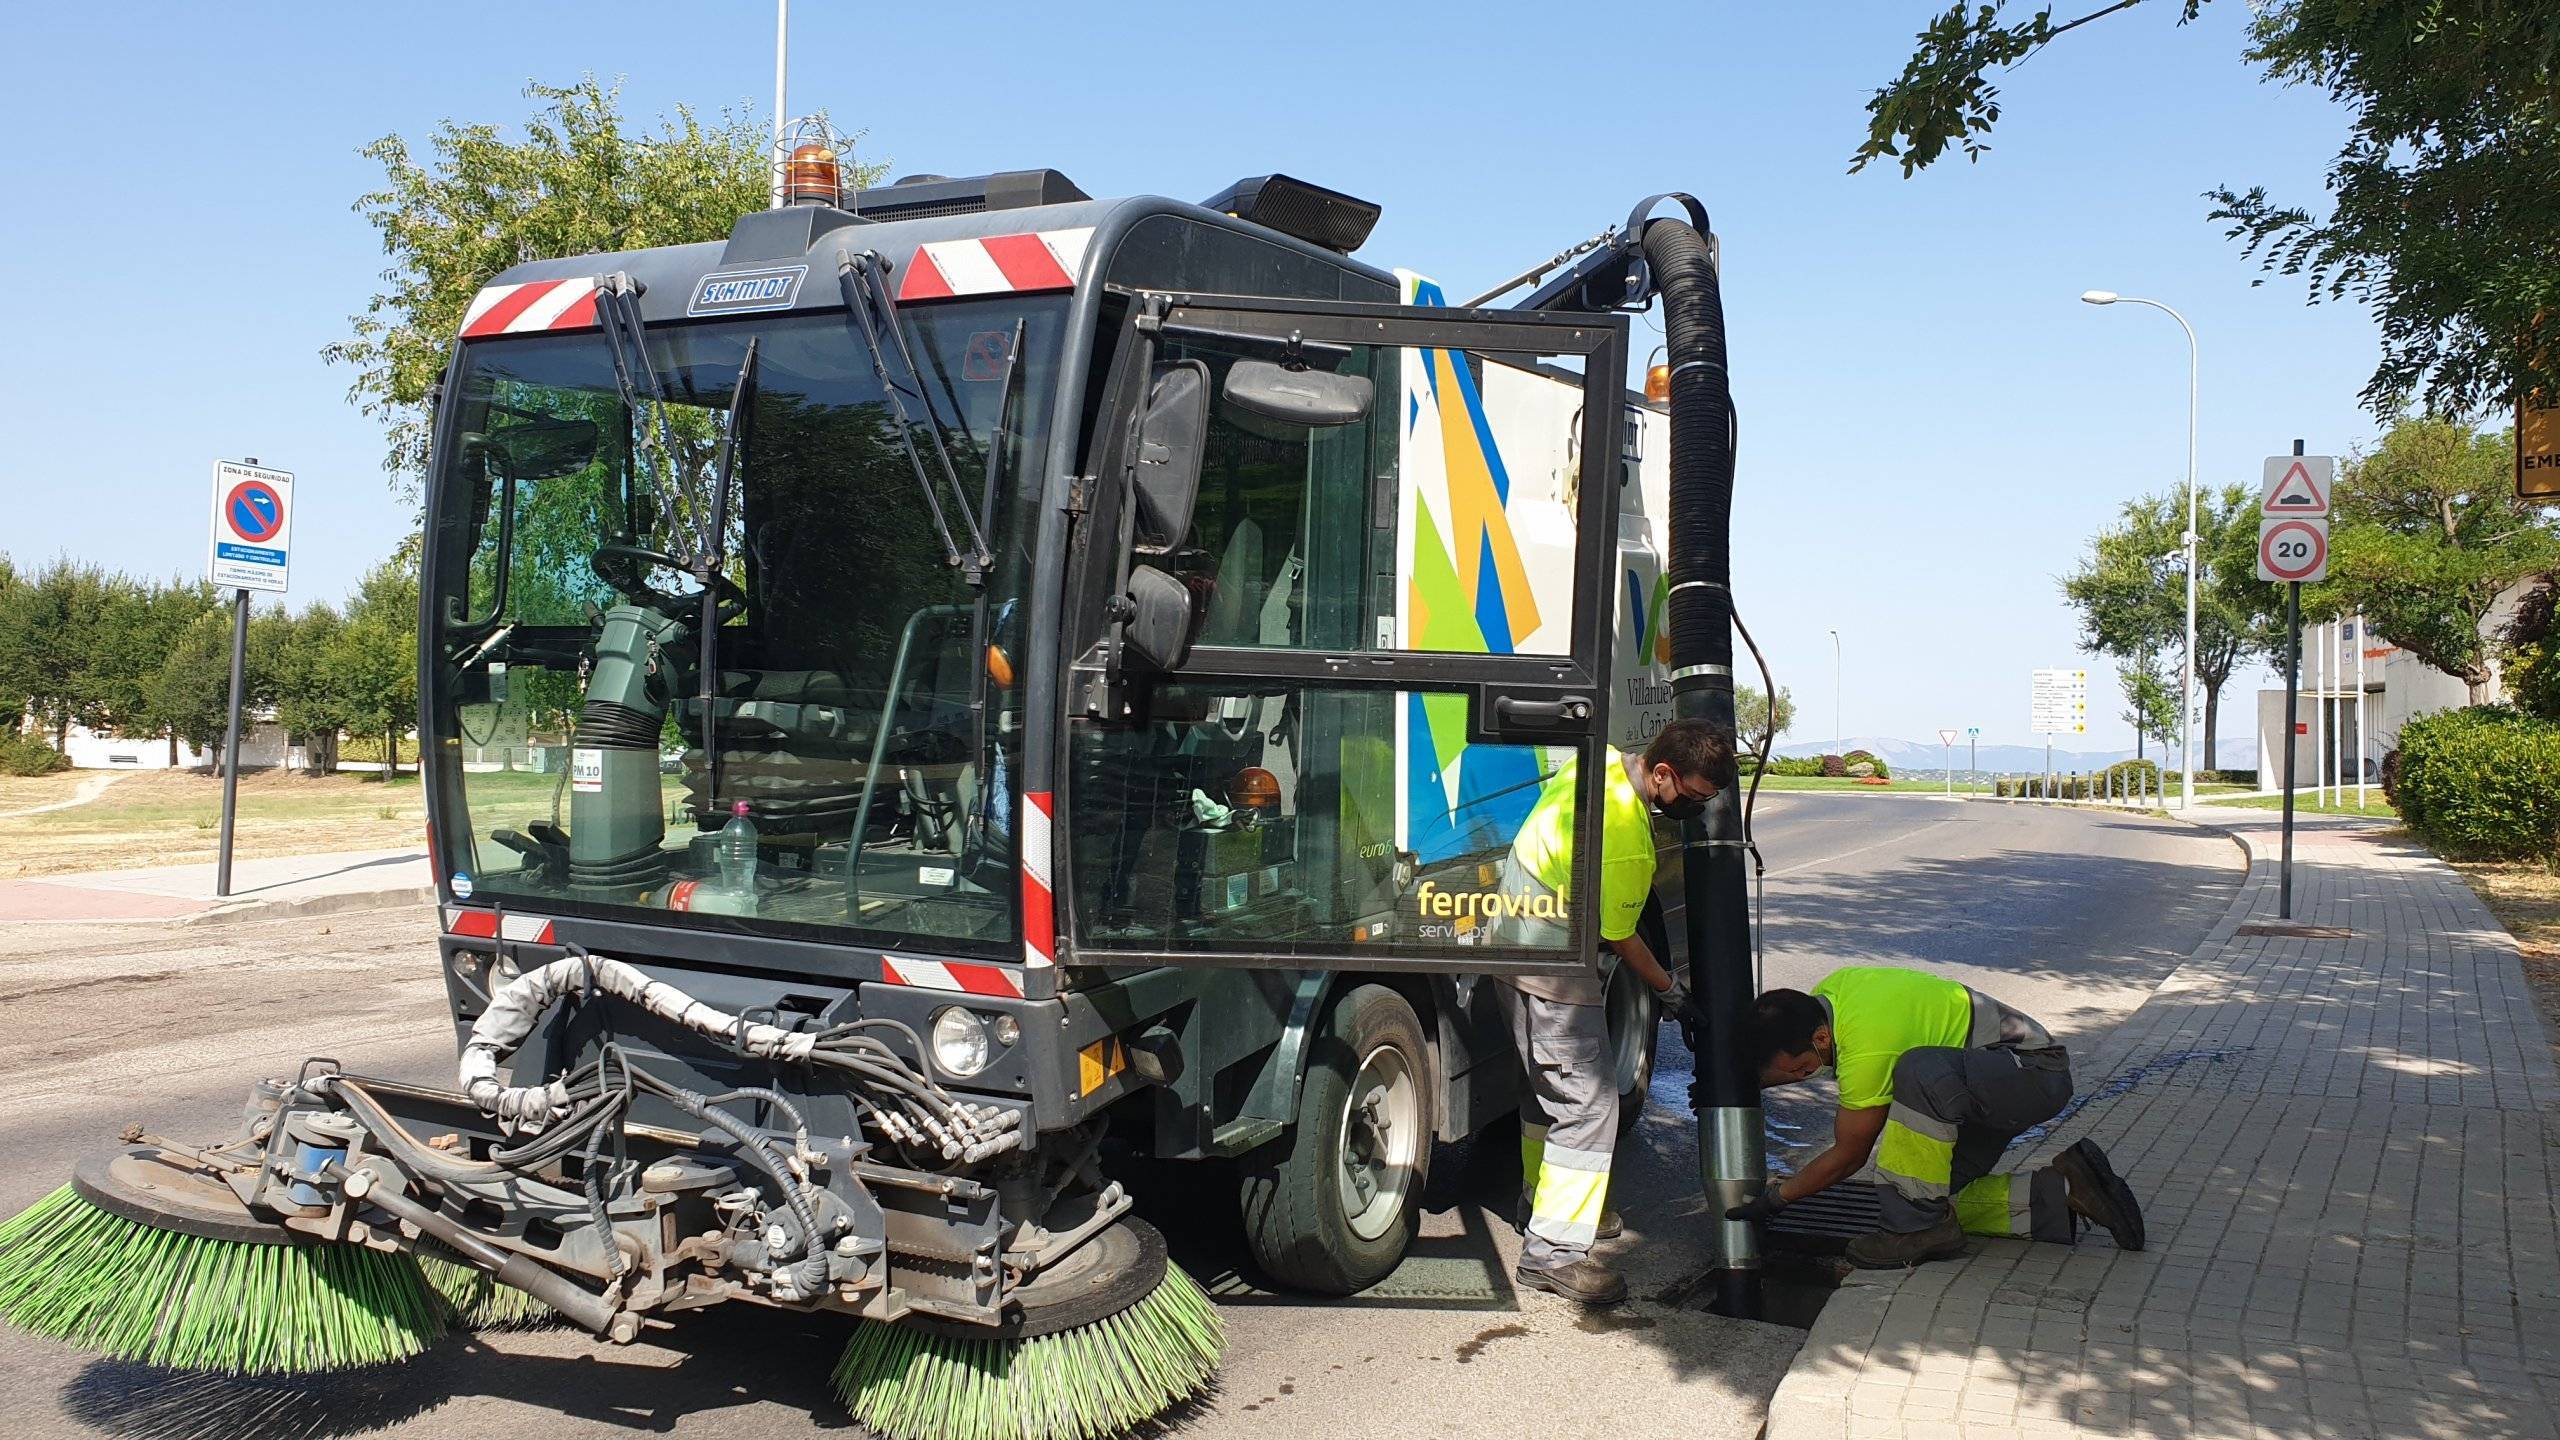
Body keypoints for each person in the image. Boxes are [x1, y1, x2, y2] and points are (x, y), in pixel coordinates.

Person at [1494, 718, 1730, 1305]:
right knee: (1591, 1105)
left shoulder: (1605, 761)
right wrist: (1671, 992)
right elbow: (1623, 938)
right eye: (1694, 797)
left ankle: (1541, 1198)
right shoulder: (1626, 836)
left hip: (1511, 939)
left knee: (1543, 1090)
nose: (1695, 811)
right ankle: (1553, 1253)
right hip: (1550, 959)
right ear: (1664, 773)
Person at [1727, 966, 2145, 1268]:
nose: (1803, 1078)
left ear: (1821, 1038)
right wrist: (1741, 1084)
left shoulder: (1868, 1046)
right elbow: (1798, 1059)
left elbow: (1850, 1155)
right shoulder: (1830, 998)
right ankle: (2071, 1187)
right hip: (1979, 1084)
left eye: (1802, 1070)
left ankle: (1912, 1232)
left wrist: (1777, 1199)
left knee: (1916, 1073)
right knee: (1928, 1196)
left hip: (2031, 1073)